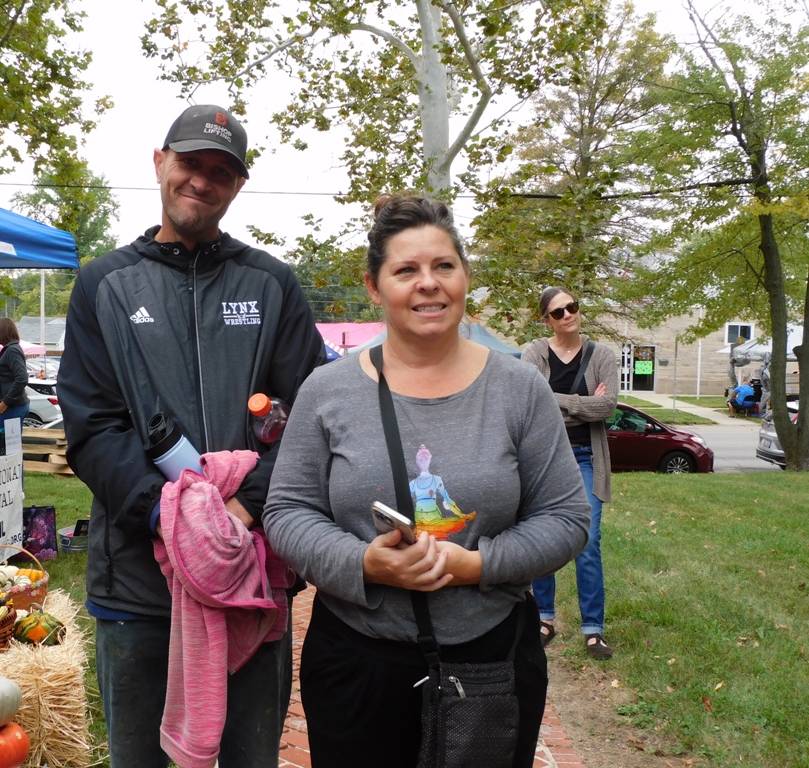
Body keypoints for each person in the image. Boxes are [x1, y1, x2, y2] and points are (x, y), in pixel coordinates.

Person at [262, 195, 591, 768]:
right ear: (374, 286)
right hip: (356, 666)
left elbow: (566, 519)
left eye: (443, 265)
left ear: (465, 276)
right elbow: (287, 512)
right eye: (406, 270)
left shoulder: (520, 389)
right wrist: (364, 563)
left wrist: (476, 565)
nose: (428, 283)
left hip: (490, 661)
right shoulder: (326, 390)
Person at [58, 104, 326, 768]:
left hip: (249, 577)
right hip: (137, 586)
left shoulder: (272, 285)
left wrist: (242, 510)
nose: (201, 181)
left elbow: (313, 417)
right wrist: (170, 519)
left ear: (238, 186)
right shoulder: (102, 284)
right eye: (189, 163)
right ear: (160, 162)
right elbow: (93, 427)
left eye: (220, 172)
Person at [521, 287, 619, 660]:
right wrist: (583, 404)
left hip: (586, 457)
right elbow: (530, 402)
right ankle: (544, 618)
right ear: (546, 320)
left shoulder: (602, 355)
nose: (568, 315)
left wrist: (556, 399)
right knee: (543, 538)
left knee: (588, 542)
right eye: (558, 312)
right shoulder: (533, 353)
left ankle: (593, 629)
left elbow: (607, 407)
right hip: (544, 458)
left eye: (572, 307)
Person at [0, 318, 30, 432]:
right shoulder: (10, 349)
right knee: (9, 442)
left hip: (13, 407)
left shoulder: (12, 351)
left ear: (1, 332)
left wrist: (5, 402)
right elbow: (4, 381)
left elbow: (22, 378)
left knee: (3, 442)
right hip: (13, 405)